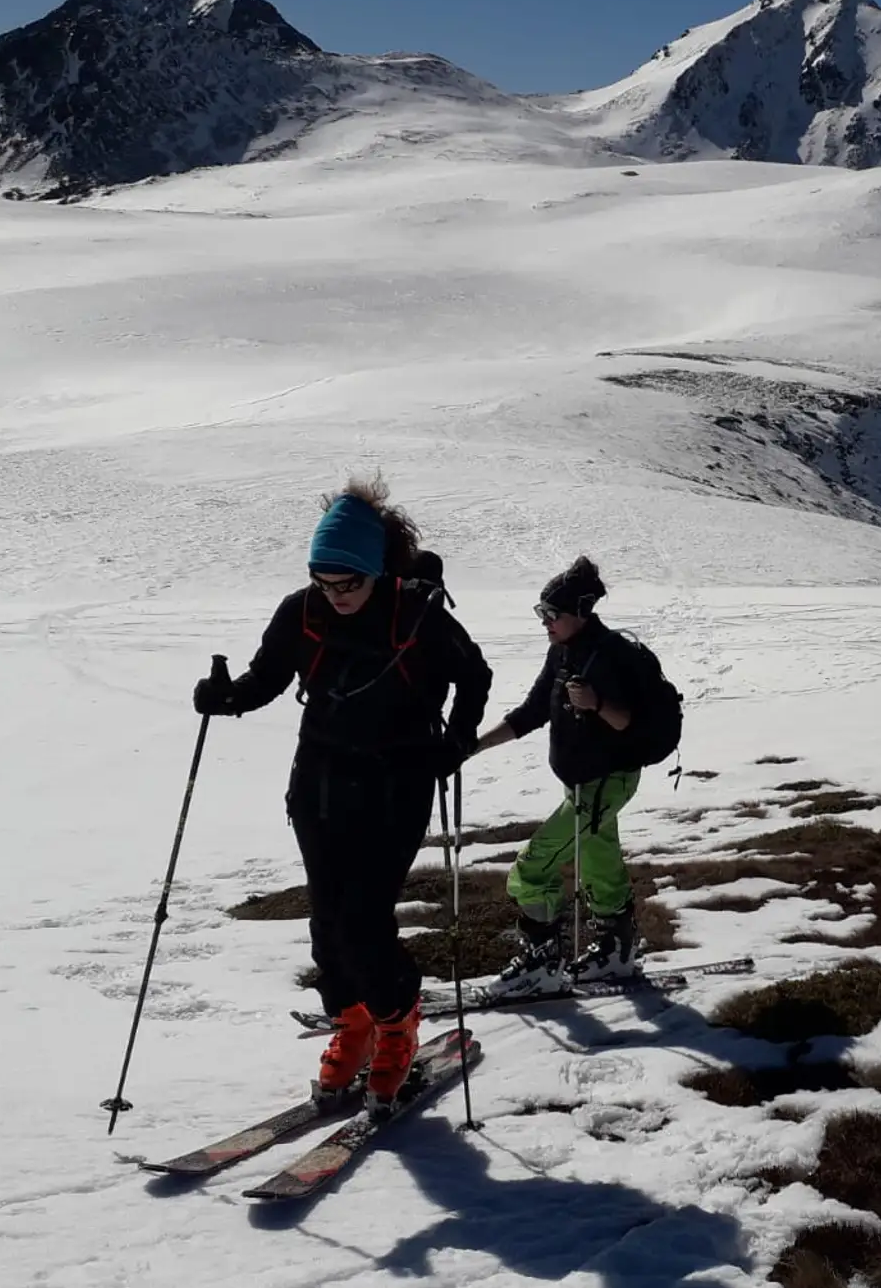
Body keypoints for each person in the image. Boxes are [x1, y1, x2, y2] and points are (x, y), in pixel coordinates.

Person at [192, 477, 491, 1116]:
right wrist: (226, 698)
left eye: (347, 583)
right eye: (324, 582)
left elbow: (475, 675)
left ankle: (397, 1020)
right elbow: (267, 677)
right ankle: (352, 1025)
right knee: (327, 925)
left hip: (395, 788)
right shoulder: (303, 611)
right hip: (320, 789)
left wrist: (457, 741)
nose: (335, 595)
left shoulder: (417, 618)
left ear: (376, 569)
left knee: (362, 923)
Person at [469, 556, 652, 995]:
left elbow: (631, 723)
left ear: (582, 612)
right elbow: (532, 712)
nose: (545, 622)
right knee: (599, 862)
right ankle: (617, 952)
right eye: (541, 613)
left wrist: (595, 705)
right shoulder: (563, 652)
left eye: (553, 615)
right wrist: (474, 746)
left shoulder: (611, 656)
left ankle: (541, 965)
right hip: (586, 785)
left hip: (605, 783)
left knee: (532, 871)